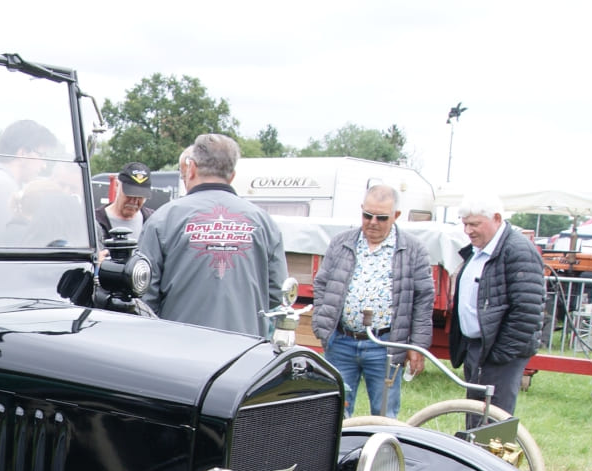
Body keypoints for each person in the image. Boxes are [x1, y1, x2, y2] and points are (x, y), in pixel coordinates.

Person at [138, 134, 287, 336]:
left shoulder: (163, 219)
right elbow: (277, 292)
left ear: (191, 168)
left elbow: (144, 294)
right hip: (244, 351)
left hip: (178, 350)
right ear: (232, 175)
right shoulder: (264, 222)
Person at [311, 184, 435, 418]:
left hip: (386, 344)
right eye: (367, 215)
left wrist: (417, 346)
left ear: (396, 216)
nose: (373, 222)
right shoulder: (341, 243)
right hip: (342, 341)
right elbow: (322, 283)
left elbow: (423, 299)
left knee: (384, 414)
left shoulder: (413, 249)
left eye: (381, 217)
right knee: (335, 412)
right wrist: (322, 325)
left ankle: (381, 454)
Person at [449, 194, 545, 419]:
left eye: (474, 224)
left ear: (497, 219)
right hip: (478, 347)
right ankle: (472, 452)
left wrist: (499, 354)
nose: (468, 231)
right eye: (465, 224)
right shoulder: (479, 250)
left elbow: (527, 310)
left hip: (498, 351)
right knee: (475, 414)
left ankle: (489, 454)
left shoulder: (518, 250)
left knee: (493, 420)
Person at [0, 119, 61, 244]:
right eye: (42, 155)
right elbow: (12, 242)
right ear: (22, 153)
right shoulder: (4, 187)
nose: (44, 166)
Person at [94, 162, 154, 243]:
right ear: (116, 185)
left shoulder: (152, 221)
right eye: (129, 194)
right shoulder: (95, 221)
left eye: (140, 197)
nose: (134, 201)